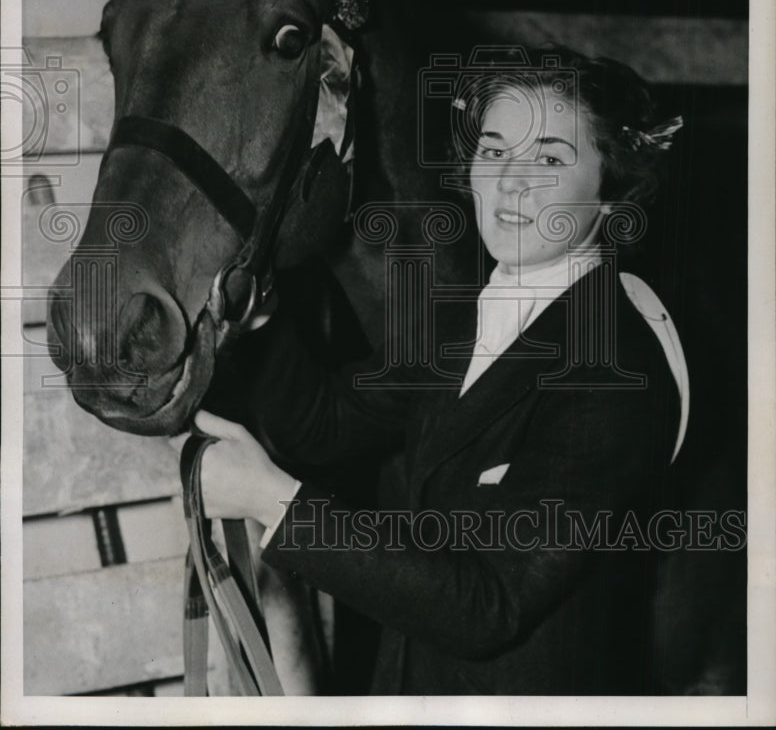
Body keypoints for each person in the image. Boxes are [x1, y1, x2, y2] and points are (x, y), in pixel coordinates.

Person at [192, 44, 687, 695]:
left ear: (612, 191)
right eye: (494, 150)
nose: (511, 181)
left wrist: (270, 500)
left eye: (548, 159)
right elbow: (325, 424)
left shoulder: (615, 370)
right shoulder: (468, 321)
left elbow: (488, 607)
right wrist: (260, 319)